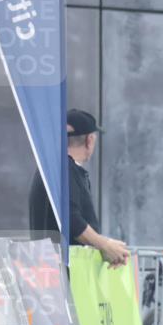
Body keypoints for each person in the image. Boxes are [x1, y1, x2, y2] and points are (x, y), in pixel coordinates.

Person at [28, 109, 129, 267]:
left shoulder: (53, 169)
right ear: (90, 140)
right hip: (64, 276)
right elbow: (71, 218)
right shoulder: (64, 169)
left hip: (51, 272)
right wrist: (104, 245)